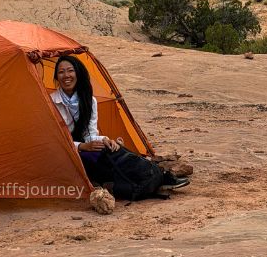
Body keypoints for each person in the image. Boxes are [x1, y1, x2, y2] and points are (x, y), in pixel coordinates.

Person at [50, 55, 189, 195]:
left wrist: (104, 140)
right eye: (61, 72)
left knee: (115, 150)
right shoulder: (50, 103)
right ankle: (156, 178)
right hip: (66, 155)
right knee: (110, 159)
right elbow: (54, 140)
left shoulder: (88, 100)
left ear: (78, 73)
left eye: (70, 70)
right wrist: (82, 146)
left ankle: (155, 176)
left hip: (86, 151)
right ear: (56, 76)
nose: (66, 75)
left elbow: (90, 134)